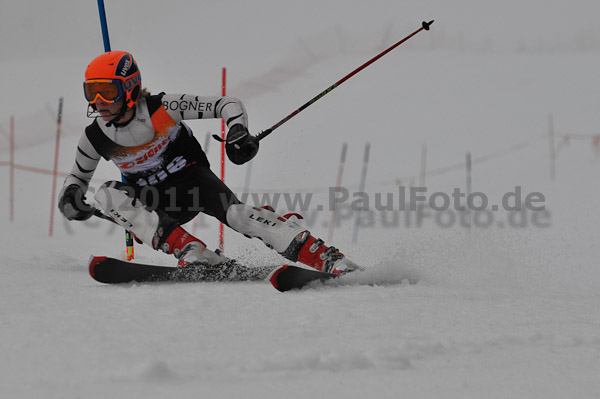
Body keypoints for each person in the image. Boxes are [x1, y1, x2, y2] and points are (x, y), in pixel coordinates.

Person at [58, 50, 362, 275]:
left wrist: (237, 132)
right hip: (155, 204)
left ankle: (328, 258)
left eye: (107, 91)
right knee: (106, 194)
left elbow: (228, 104)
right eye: (91, 92)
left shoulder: (164, 107)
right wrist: (70, 198)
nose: (98, 101)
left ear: (130, 87)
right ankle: (193, 252)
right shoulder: (95, 136)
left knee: (240, 216)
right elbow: (76, 179)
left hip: (194, 184)